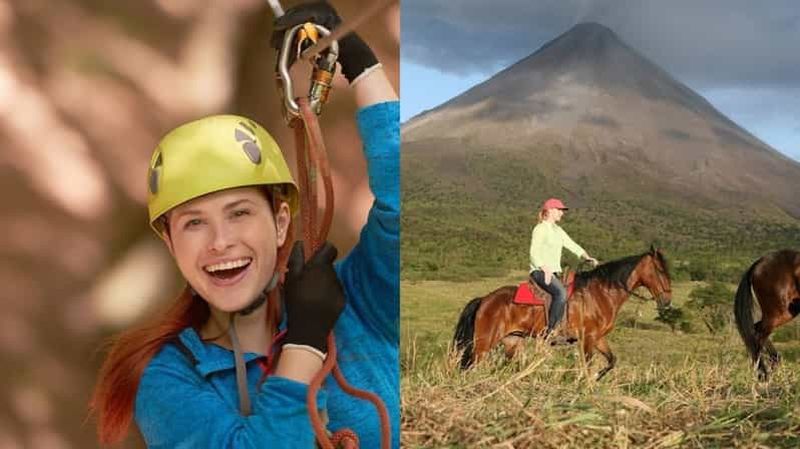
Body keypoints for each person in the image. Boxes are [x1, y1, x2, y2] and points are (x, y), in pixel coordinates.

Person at [90, 2, 399, 448]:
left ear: (280, 222)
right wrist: (304, 345)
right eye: (194, 223)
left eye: (239, 213)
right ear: (171, 243)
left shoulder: (360, 302)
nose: (220, 242)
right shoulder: (167, 381)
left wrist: (359, 61)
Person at [529, 198, 597, 342]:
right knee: (561, 293)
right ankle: (550, 332)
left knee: (573, 294)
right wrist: (544, 268)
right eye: (559, 210)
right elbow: (533, 252)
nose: (562, 213)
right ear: (550, 211)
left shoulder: (558, 230)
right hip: (539, 272)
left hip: (553, 272)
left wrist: (586, 256)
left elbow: (571, 244)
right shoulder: (540, 228)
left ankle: (567, 328)